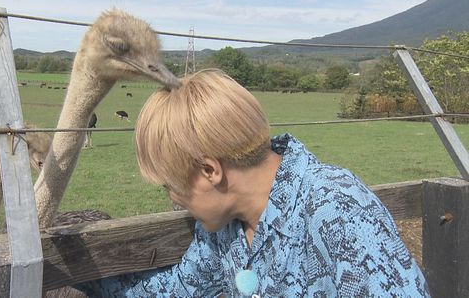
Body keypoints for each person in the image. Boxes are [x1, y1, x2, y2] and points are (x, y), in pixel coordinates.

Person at [79, 69, 429, 297]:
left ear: (210, 171)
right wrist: (75, 269)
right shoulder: (224, 230)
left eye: (170, 186)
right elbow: (175, 291)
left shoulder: (337, 208)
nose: (173, 199)